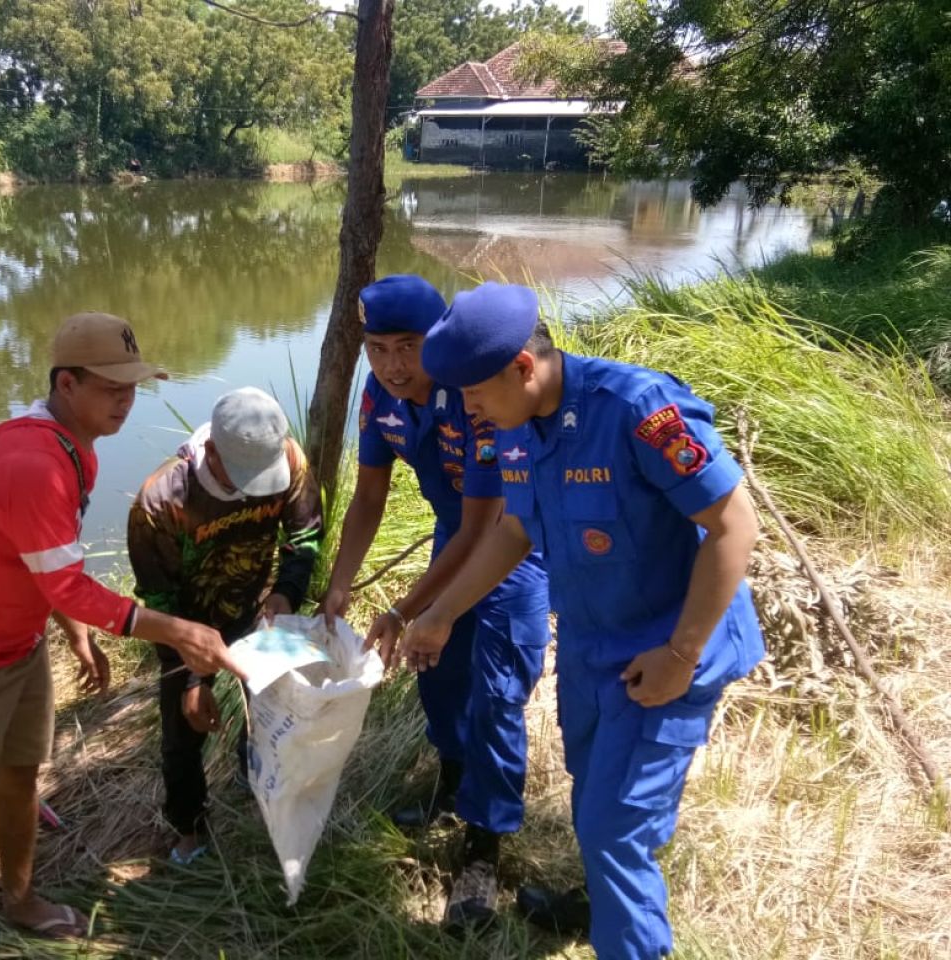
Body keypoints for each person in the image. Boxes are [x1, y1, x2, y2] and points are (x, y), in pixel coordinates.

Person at [403, 283, 765, 958]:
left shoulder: (635, 408)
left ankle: (629, 935)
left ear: (521, 367)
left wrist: (681, 654)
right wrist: (443, 613)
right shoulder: (514, 428)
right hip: (593, 647)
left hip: (666, 648)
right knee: (595, 793)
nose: (468, 408)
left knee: (612, 828)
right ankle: (606, 904)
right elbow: (513, 530)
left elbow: (733, 524)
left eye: (475, 393)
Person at [0, 312, 242, 959]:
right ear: (67, 383)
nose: (124, 401)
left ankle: (19, 901)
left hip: (17, 648)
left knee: (22, 776)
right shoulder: (32, 461)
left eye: (131, 387)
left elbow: (43, 567)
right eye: (111, 387)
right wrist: (182, 630)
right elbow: (69, 585)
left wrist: (75, 636)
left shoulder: (70, 445)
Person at [320, 275, 551, 930]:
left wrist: (404, 611)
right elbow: (368, 497)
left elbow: (485, 528)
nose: (394, 365)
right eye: (378, 348)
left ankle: (484, 845)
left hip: (514, 542)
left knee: (497, 692)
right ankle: (452, 780)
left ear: (438, 340)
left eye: (409, 346)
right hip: (456, 536)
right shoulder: (379, 397)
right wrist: (341, 583)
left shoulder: (471, 393)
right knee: (438, 674)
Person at [128, 387, 323, 864]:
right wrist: (193, 677)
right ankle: (188, 830)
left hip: (257, 613)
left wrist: (284, 595)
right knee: (182, 731)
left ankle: (251, 772)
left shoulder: (289, 460)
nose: (257, 487)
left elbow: (305, 536)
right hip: (186, 627)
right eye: (243, 477)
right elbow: (160, 602)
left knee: (271, 708)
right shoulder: (160, 503)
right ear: (211, 450)